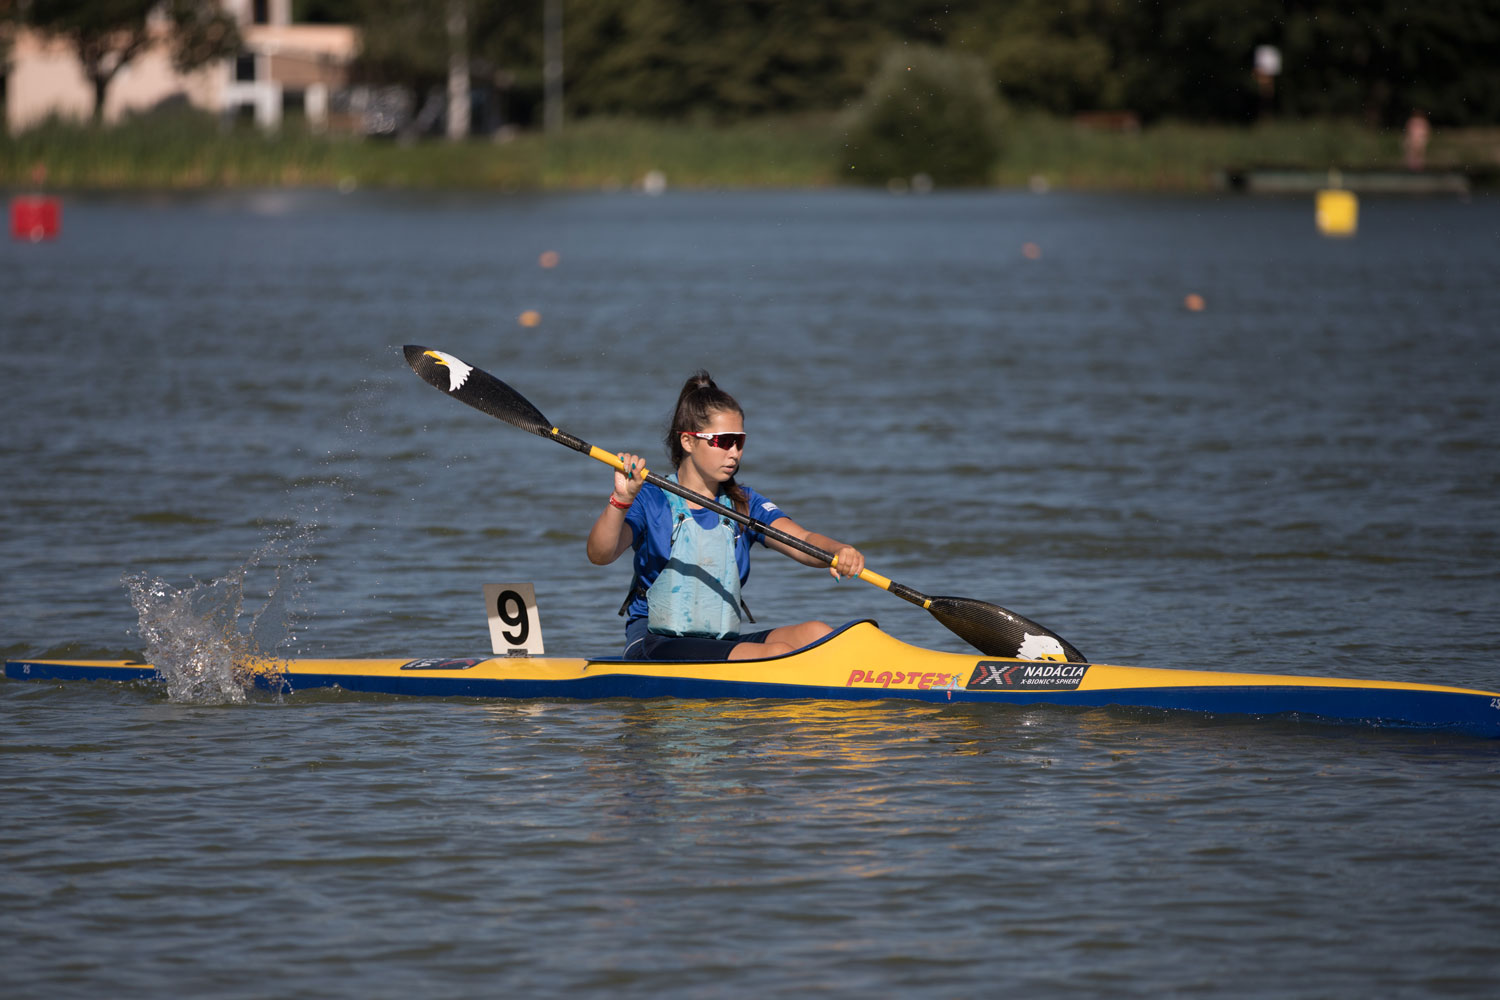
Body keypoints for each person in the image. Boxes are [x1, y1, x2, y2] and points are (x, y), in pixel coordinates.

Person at [587, 371, 865, 661]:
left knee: (819, 634)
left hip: (719, 641)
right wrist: (622, 499)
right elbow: (599, 554)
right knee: (777, 654)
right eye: (724, 441)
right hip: (655, 643)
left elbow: (804, 540)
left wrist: (838, 551)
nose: (734, 453)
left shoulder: (743, 503)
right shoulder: (650, 498)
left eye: (739, 442)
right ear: (688, 441)